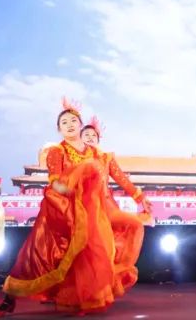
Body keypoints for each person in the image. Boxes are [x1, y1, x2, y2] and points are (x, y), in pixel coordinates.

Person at [0, 98, 116, 317]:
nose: (69, 125)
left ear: (81, 125)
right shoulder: (57, 151)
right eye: (64, 122)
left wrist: (137, 196)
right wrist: (66, 189)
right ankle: (10, 297)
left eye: (73, 121)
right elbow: (54, 180)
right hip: (59, 210)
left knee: (84, 256)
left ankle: (80, 300)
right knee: (40, 255)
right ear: (59, 129)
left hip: (88, 212)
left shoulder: (94, 153)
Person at [81, 117, 153, 296]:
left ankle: (117, 272)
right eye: (86, 134)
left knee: (134, 225)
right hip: (83, 208)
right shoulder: (75, 158)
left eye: (93, 135)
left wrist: (140, 198)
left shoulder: (106, 158)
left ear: (98, 139)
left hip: (107, 207)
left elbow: (122, 179)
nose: (90, 137)